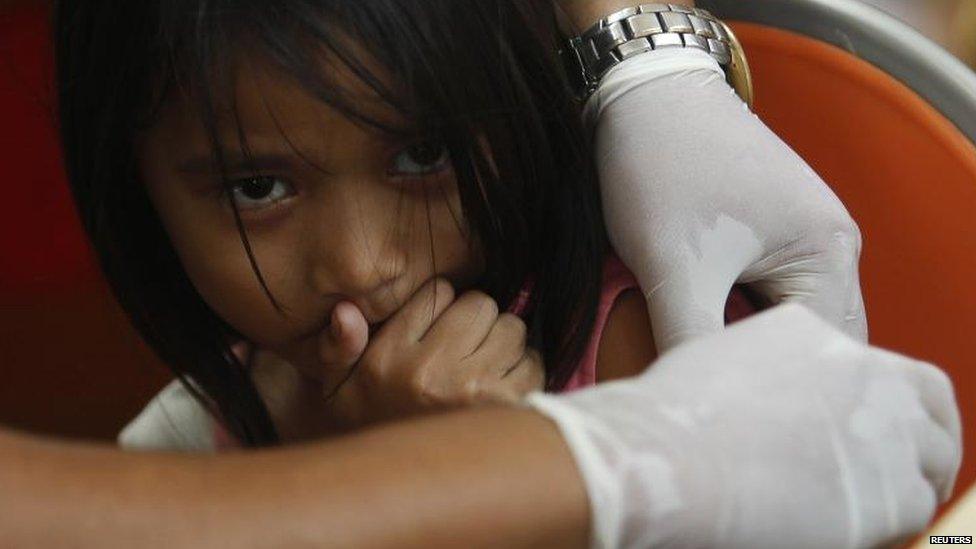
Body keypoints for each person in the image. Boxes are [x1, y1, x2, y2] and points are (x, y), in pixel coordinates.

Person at [0, 305, 962, 548]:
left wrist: (635, 52)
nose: (362, 272)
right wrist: (611, 466)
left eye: (422, 154)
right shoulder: (194, 428)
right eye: (256, 185)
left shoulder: (630, 307)